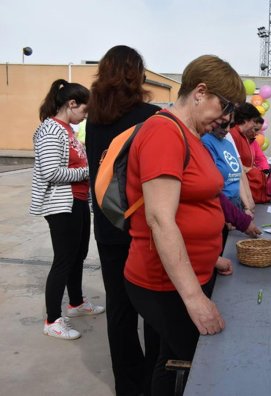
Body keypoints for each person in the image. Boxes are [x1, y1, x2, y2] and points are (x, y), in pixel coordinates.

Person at [123, 54, 245, 395]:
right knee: (196, 365)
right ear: (200, 92)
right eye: (225, 106)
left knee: (171, 359)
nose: (225, 118)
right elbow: (161, 219)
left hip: (190, 273)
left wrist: (209, 258)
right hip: (164, 284)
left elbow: (196, 201)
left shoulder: (190, 134)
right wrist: (194, 299)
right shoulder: (164, 132)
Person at [85, 45, 160, 396]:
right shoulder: (152, 116)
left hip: (107, 224)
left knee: (120, 309)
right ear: (137, 74)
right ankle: (154, 380)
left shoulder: (95, 120)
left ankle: (128, 387)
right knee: (155, 307)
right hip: (144, 226)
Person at [30, 79, 105, 341]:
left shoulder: (67, 130)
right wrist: (89, 171)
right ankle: (52, 319)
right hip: (62, 204)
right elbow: (51, 172)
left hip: (78, 200)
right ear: (71, 104)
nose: (85, 117)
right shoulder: (51, 130)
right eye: (84, 111)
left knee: (78, 254)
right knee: (64, 259)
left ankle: (76, 303)